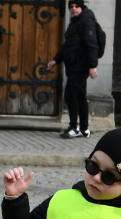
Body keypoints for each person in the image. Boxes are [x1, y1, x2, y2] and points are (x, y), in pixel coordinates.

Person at [48, 0, 100, 139]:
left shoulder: (86, 22)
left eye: (76, 6)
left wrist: (92, 65)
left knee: (70, 94)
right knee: (80, 96)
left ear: (81, 7)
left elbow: (92, 44)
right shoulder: (75, 22)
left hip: (81, 66)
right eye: (71, 7)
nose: (74, 9)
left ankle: (73, 127)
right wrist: (56, 60)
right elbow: (68, 46)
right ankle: (84, 129)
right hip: (74, 65)